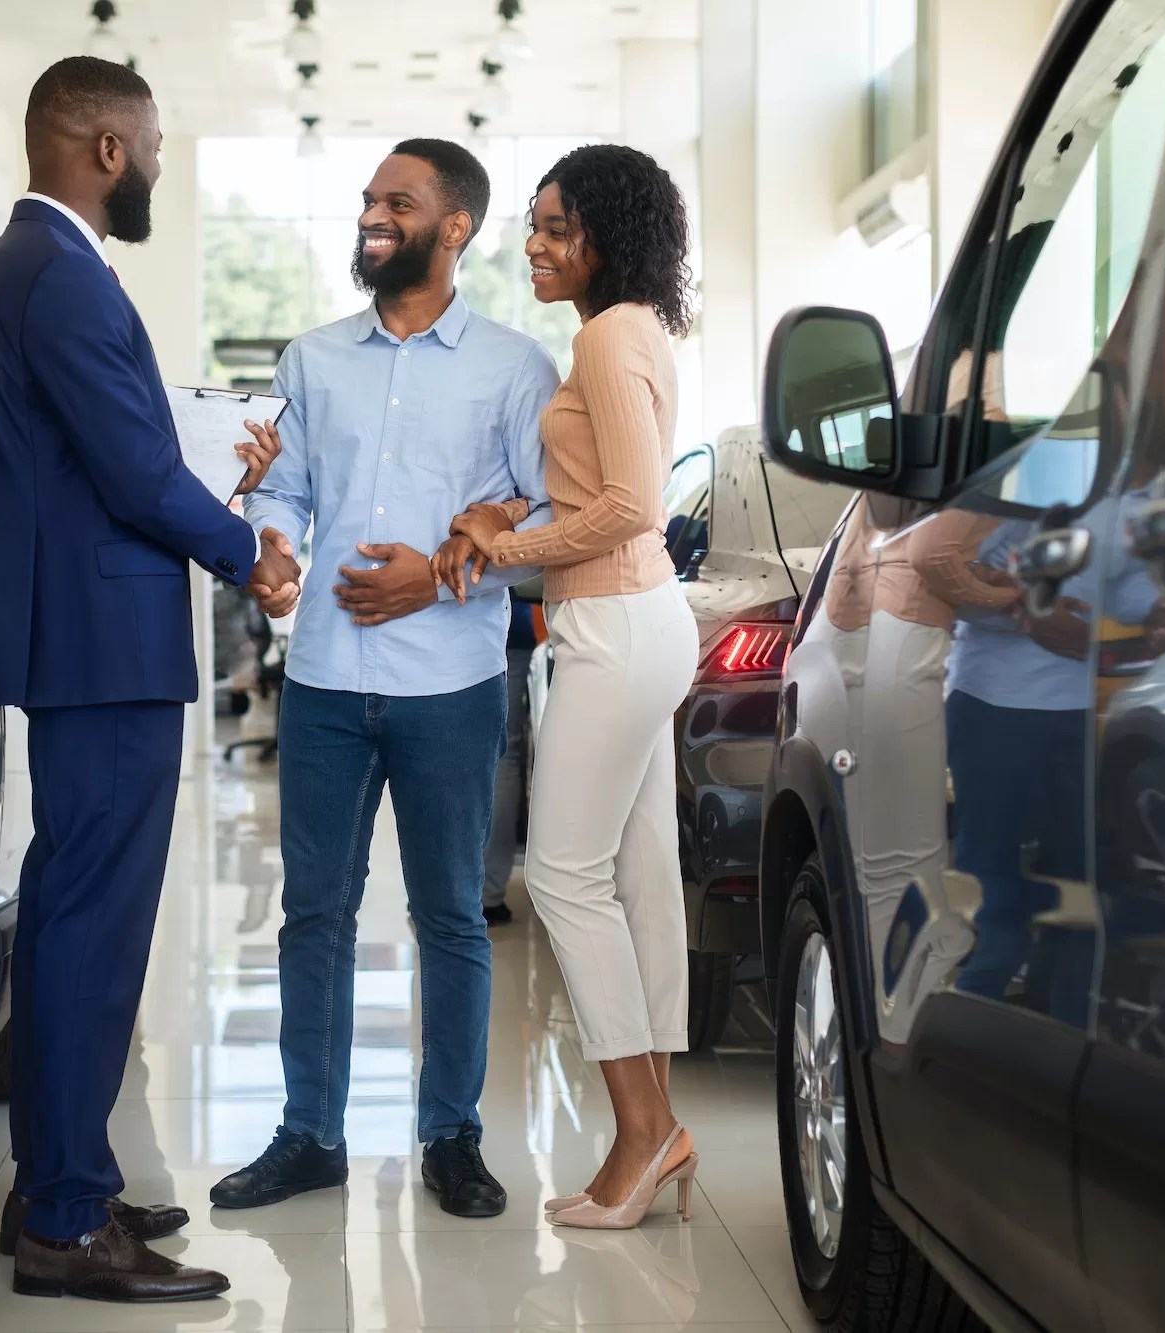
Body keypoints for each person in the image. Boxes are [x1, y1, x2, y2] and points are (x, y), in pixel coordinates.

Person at [0, 56, 298, 1303]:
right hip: (101, 647)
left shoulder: (35, 271)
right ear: (104, 146)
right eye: (149, 143)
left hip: (86, 640)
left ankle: (68, 1182)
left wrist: (211, 468)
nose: (155, 162)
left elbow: (119, 451)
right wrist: (244, 546)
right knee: (91, 929)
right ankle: (61, 1218)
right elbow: (133, 473)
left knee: (67, 919)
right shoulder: (58, 279)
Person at [208, 139, 557, 1219]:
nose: (371, 216)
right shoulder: (314, 359)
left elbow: (548, 522)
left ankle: (451, 1135)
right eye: (366, 200)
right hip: (318, 677)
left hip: (447, 680)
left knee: (449, 912)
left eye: (395, 203)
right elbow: (287, 490)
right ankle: (308, 1133)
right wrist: (269, 545)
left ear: (454, 227)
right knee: (313, 912)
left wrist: (437, 580)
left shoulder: (514, 367)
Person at [436, 144, 701, 1229]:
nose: (535, 246)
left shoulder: (604, 333)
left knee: (559, 877)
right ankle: (655, 1132)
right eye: (533, 227)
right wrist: (510, 521)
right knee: (637, 877)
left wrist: (496, 551)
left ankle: (644, 1133)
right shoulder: (629, 330)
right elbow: (612, 495)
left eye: (557, 227)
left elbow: (633, 504)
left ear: (607, 233)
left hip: (617, 622)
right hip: (628, 619)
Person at [482, 598, 538, 926]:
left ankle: (435, 886)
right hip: (506, 624)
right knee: (502, 754)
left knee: (430, 754)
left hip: (431, 622)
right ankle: (489, 893)